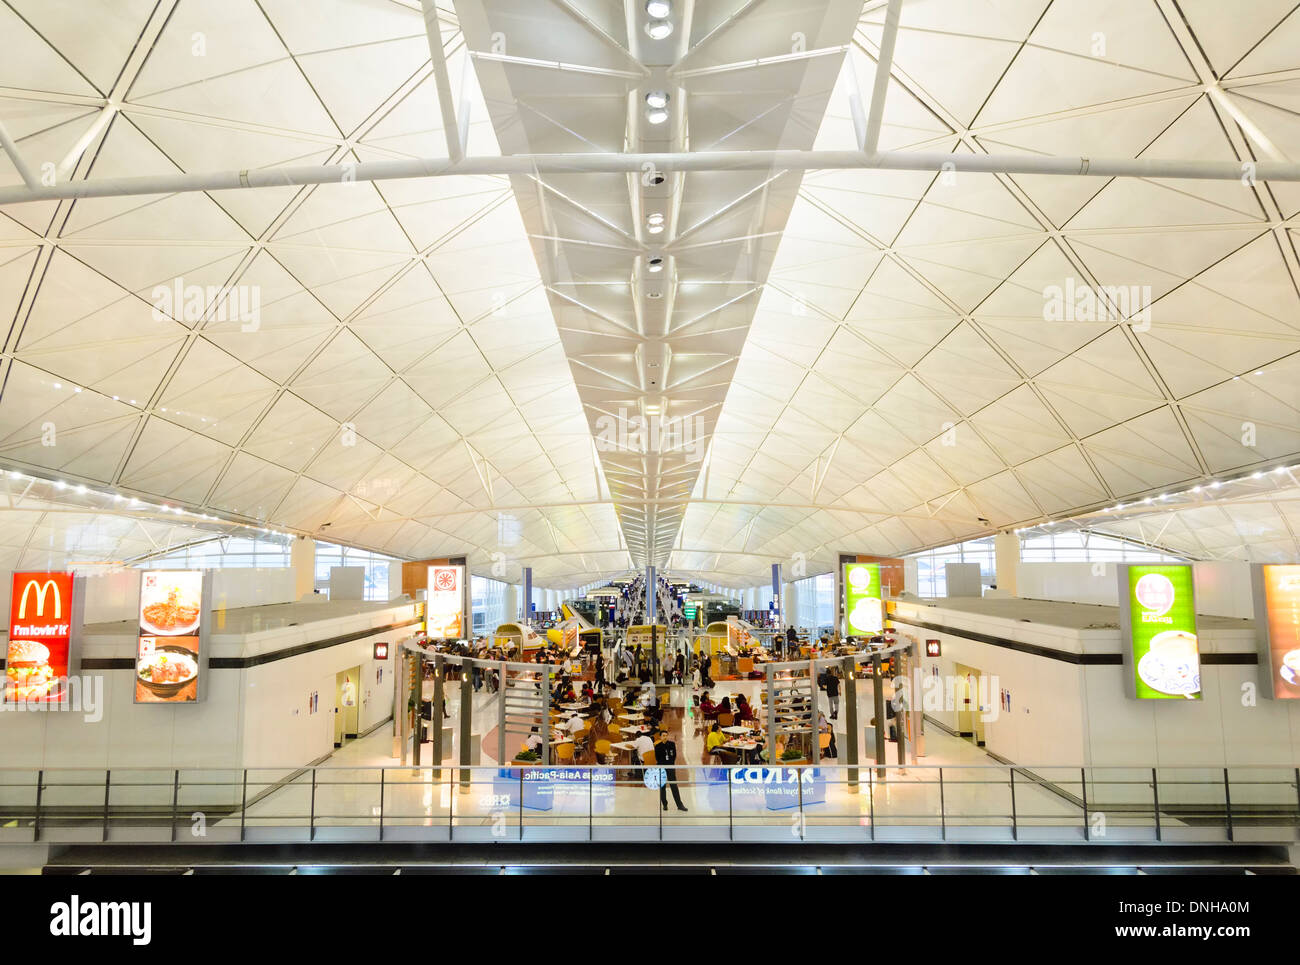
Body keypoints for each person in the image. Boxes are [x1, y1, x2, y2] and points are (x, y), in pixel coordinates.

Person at [654, 730, 687, 811]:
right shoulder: (657, 747)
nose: (665, 737)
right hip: (661, 768)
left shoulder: (671, 744)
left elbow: (674, 755)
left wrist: (669, 764)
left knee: (674, 786)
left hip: (670, 767)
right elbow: (657, 759)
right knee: (662, 787)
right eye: (663, 736)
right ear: (660, 737)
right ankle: (664, 804)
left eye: (666, 735)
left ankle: (679, 805)